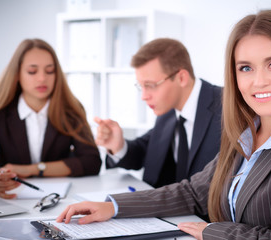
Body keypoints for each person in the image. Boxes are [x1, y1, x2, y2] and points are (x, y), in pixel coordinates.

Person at [57, 10, 271, 240]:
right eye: (246, 67)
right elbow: (193, 193)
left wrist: (212, 232)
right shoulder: (245, 131)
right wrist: (113, 206)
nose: (259, 81)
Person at [95, 38, 222, 188]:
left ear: (181, 78)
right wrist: (118, 146)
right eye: (141, 86)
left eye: (150, 85)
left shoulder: (227, 107)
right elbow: (147, 151)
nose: (144, 96)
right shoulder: (168, 109)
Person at [0, 38, 102, 199]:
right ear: (17, 74)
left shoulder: (71, 109)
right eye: (32, 71)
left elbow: (92, 162)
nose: (42, 78)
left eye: (50, 71)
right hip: (11, 199)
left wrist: (33, 169)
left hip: (58, 199)